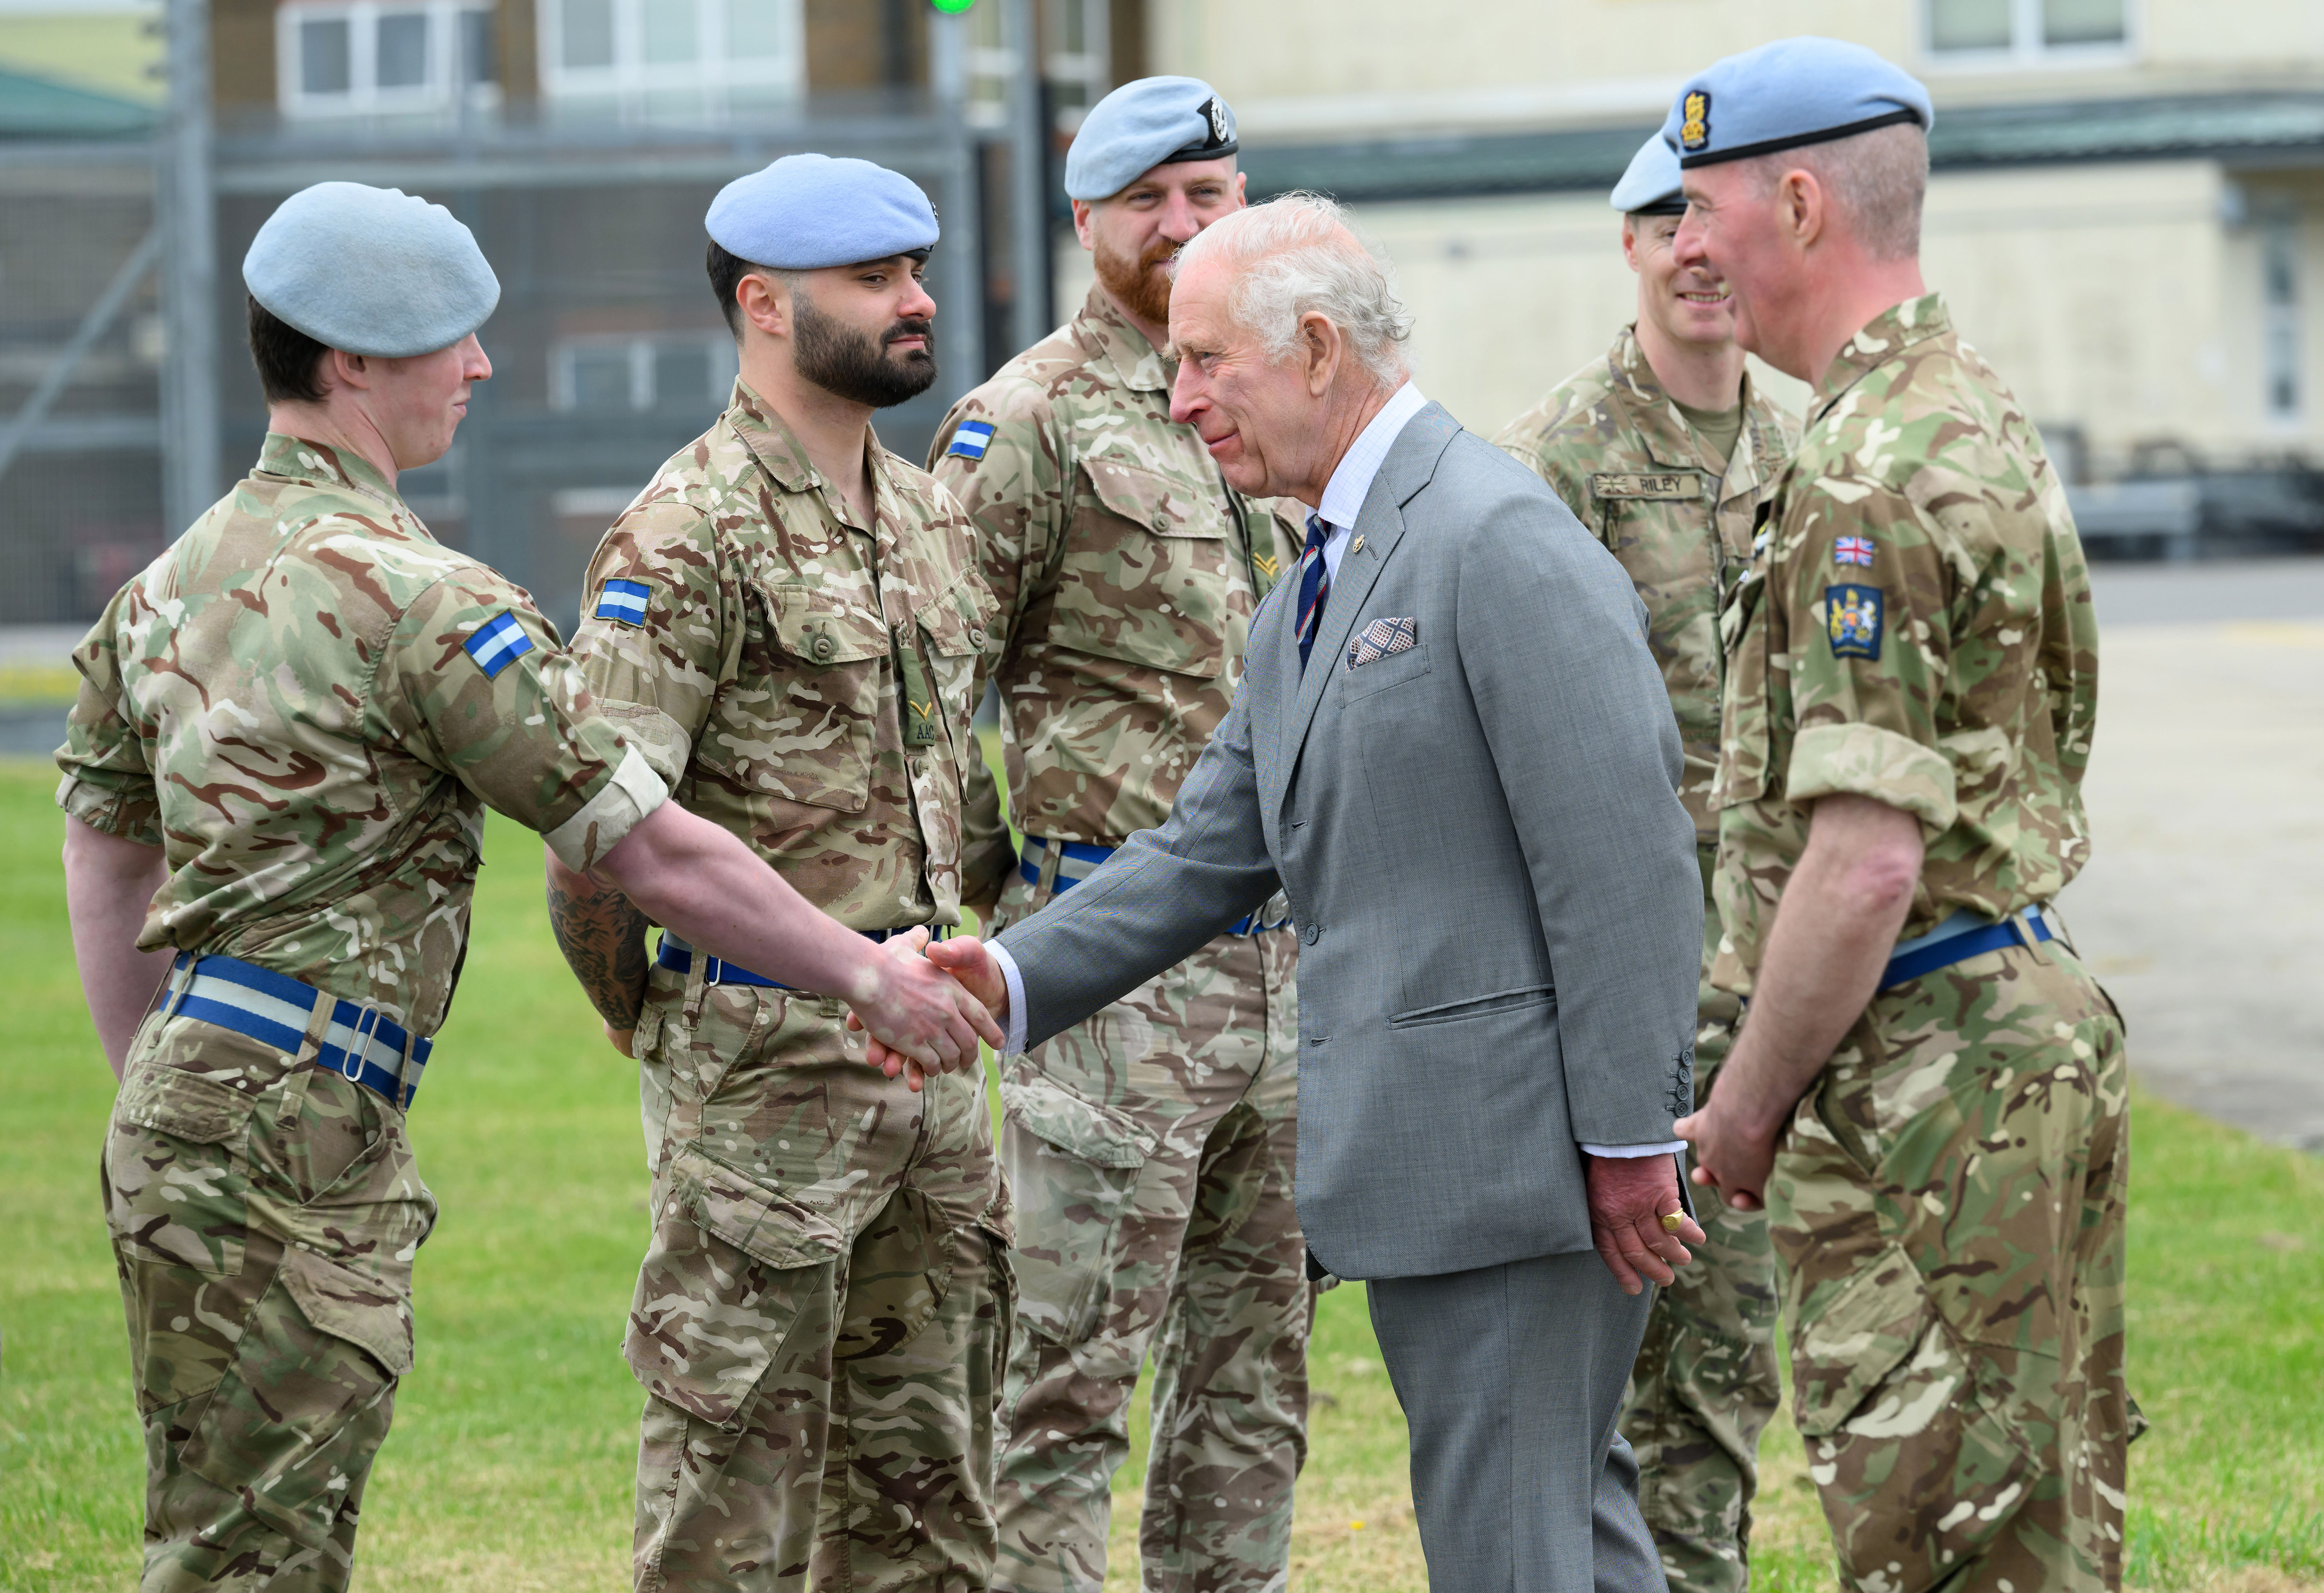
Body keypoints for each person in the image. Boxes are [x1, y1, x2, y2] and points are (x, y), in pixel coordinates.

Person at [55, 180, 993, 1593]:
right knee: (260, 1555)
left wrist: (157, 1075)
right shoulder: (425, 595)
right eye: (452, 338)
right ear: (350, 360)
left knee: (225, 1540)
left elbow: (105, 840)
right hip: (305, 1111)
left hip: (200, 1100)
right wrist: (863, 974)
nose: (483, 366)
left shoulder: (171, 583)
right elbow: (636, 843)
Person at [884, 191, 1708, 1593]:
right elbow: (1206, 847)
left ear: (1319, 348)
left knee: (1513, 1553)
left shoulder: (1491, 536)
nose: (1183, 394)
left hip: (1523, 1177)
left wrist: (1632, 1139)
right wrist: (1009, 975)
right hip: (1453, 1172)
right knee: (1570, 1535)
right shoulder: (1318, 576)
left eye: (1210, 360)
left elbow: (1626, 861)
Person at [1662, 38, 2132, 1593]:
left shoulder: (1862, 467)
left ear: (1797, 204)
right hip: (2004, 1030)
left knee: (1937, 1540)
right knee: (2033, 1530)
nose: (1682, 247)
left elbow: (1863, 858)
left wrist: (1738, 1108)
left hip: (1928, 1077)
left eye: (1700, 208)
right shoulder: (1961, 407)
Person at [539, 155, 1010, 1593]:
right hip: (763, 1095)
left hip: (930, 1085)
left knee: (933, 1507)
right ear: (763, 304)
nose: (918, 303)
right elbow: (600, 846)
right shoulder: (685, 537)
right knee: (729, 1515)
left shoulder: (930, 520)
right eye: (876, 281)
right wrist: (666, 1018)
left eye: (916, 272)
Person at [927, 77, 1309, 1593]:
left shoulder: (1289, 400)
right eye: (1146, 198)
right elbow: (931, 694)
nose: (1180, 223)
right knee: (1065, 1388)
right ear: (1084, 221)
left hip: (1285, 980)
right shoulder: (1020, 425)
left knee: (1255, 1387)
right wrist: (995, 908)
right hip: (1107, 986)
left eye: (1207, 193)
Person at [1492, 131, 1796, 1593]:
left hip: (1782, 977)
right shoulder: (1554, 462)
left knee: (1731, 1360)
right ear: (1623, 248)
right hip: (1617, 984)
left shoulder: (1809, 451)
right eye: (1654, 219)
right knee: (1593, 1367)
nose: (1689, 246)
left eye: (1707, 217)